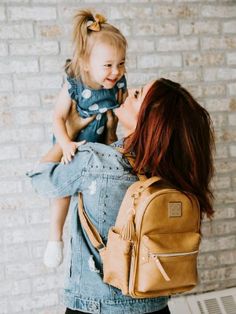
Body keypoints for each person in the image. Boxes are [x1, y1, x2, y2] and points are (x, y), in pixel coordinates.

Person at [27, 78, 214, 313]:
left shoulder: (95, 161)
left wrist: (70, 131)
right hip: (155, 304)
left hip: (96, 306)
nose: (131, 90)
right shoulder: (175, 173)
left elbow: (40, 179)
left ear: (148, 121)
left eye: (138, 95)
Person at [44, 9, 128, 268]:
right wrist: (66, 143)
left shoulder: (118, 83)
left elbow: (125, 113)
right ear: (86, 62)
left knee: (97, 199)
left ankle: (101, 249)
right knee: (63, 193)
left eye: (121, 63)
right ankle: (54, 237)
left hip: (101, 148)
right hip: (73, 145)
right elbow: (57, 117)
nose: (115, 72)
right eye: (108, 65)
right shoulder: (75, 84)